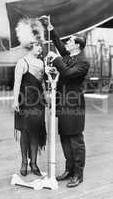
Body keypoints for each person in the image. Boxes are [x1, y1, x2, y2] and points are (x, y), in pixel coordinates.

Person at [41, 16, 90, 187]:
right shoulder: (69, 55)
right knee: (65, 138)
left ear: (76, 45)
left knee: (76, 140)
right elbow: (58, 43)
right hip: (63, 104)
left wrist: (56, 59)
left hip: (74, 106)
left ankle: (78, 174)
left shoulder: (83, 62)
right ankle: (69, 170)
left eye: (69, 41)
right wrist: (50, 27)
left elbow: (68, 74)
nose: (66, 42)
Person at [13, 18, 46, 177]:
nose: (40, 47)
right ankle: (24, 163)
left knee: (36, 132)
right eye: (38, 45)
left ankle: (34, 163)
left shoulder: (42, 63)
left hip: (38, 103)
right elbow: (17, 83)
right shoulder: (22, 62)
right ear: (31, 46)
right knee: (25, 133)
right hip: (25, 103)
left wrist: (46, 96)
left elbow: (44, 84)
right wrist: (14, 101)